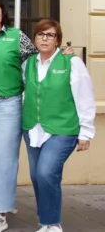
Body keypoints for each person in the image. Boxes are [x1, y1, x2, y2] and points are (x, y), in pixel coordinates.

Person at [0, 0, 72, 232]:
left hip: (7, 104)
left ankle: (0, 212)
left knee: (3, 158)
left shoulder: (17, 37)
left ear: (2, 11)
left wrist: (63, 53)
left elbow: (40, 58)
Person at [21, 19, 95, 232]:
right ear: (34, 38)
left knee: (46, 173)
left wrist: (86, 132)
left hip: (63, 129)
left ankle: (52, 224)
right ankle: (45, 220)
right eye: (40, 34)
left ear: (58, 40)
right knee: (37, 177)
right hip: (33, 128)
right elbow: (25, 93)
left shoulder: (71, 62)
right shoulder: (29, 64)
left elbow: (85, 97)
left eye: (50, 35)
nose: (45, 39)